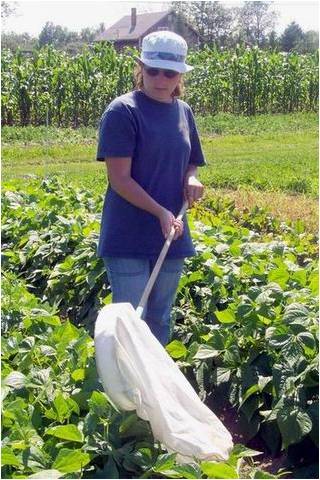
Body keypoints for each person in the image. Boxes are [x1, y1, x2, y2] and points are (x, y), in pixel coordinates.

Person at [96, 30, 206, 345]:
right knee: (132, 323)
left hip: (171, 234)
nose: (159, 78)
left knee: (160, 317)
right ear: (140, 68)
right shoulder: (123, 111)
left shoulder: (183, 112)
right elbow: (119, 179)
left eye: (169, 72)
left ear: (180, 75)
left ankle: (156, 391)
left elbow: (191, 162)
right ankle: (126, 391)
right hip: (129, 234)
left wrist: (191, 179)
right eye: (152, 70)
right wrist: (160, 212)